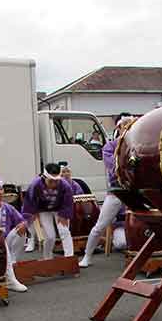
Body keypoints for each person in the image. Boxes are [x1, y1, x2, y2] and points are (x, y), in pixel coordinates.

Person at [79, 114, 134, 268]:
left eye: (131, 126)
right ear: (119, 128)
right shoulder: (109, 147)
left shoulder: (137, 146)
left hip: (135, 192)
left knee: (147, 222)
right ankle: (87, 256)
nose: (128, 129)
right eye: (125, 126)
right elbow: (114, 168)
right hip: (117, 192)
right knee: (100, 225)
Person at [22, 162, 74, 259]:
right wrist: (33, 214)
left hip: (59, 209)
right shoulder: (35, 185)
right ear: (44, 178)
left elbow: (68, 202)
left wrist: (64, 215)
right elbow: (29, 201)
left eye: (56, 181)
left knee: (65, 231)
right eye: (51, 181)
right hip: (43, 210)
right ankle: (47, 258)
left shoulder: (65, 185)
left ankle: (69, 258)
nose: (54, 184)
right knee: (50, 236)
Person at [0, 184, 28, 292]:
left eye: (0, 189)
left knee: (21, 230)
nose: (0, 192)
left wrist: (24, 224)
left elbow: (22, 220)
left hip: (5, 241)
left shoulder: (8, 207)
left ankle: (12, 261)